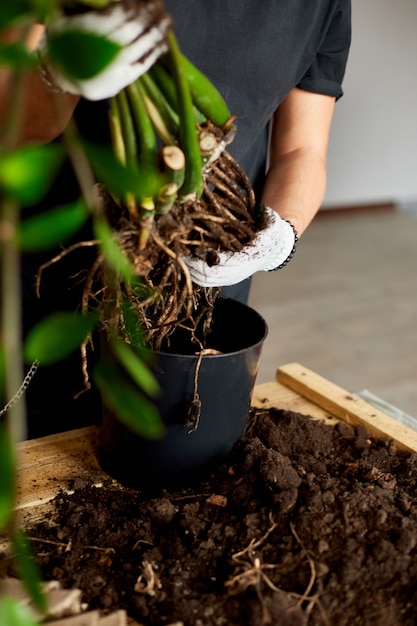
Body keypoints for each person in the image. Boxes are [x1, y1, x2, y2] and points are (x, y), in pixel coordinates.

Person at [0, 0, 351, 437]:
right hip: (59, 268)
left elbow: (303, 150)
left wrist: (279, 235)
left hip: (206, 276)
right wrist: (58, 69)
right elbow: (10, 121)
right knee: (36, 436)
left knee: (168, 446)